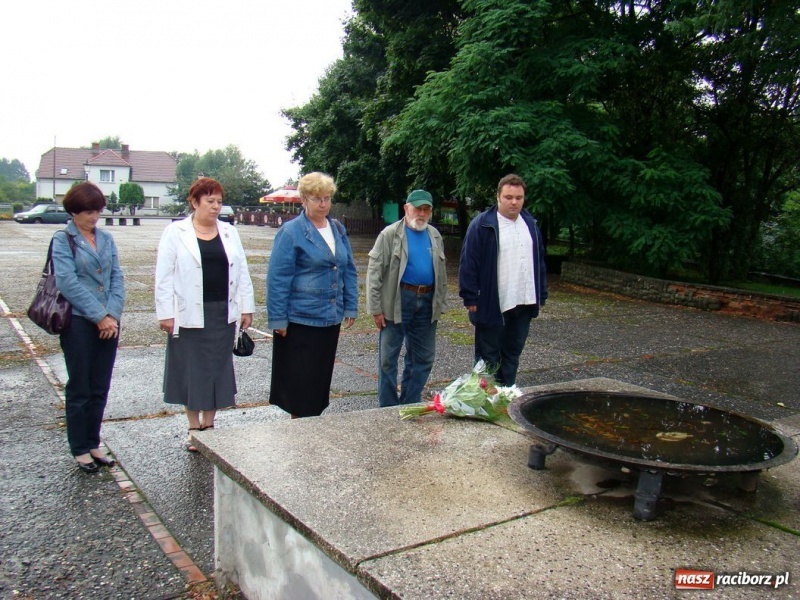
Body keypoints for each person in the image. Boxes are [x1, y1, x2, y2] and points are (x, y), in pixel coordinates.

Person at [155, 177, 255, 451]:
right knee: (191, 370)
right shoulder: (176, 232)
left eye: (219, 202)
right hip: (187, 314)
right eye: (210, 201)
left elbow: (242, 271)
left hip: (222, 313)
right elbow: (163, 275)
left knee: (216, 369)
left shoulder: (229, 232)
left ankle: (209, 426)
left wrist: (247, 307)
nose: (215, 207)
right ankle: (192, 427)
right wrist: (165, 313)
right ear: (194, 202)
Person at [267, 172, 357, 418]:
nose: (323, 204)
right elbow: (278, 278)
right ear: (304, 200)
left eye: (327, 198)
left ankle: (312, 426)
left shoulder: (337, 229)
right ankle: (300, 432)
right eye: (317, 199)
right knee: (299, 384)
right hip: (300, 319)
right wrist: (278, 319)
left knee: (319, 380)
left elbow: (348, 268)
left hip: (330, 316)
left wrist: (350, 306)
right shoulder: (291, 232)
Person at [52, 182, 125, 473]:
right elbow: (67, 282)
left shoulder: (105, 238)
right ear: (73, 211)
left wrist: (113, 315)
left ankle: (94, 441)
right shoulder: (63, 239)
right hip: (80, 322)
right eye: (88, 212)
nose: (94, 217)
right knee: (80, 386)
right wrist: (99, 316)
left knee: (100, 385)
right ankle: (79, 448)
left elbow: (117, 277)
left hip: (109, 321)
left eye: (97, 211)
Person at [458, 174, 548, 386]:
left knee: (512, 356)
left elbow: (540, 262)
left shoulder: (530, 224)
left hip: (524, 302)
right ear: (498, 197)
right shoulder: (482, 225)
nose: (514, 202)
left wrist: (541, 293)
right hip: (492, 304)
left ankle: (506, 398)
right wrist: (470, 297)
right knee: (488, 359)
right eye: (508, 197)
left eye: (519, 197)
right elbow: (468, 263)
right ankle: (484, 402)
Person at [367, 190, 447, 407]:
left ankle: (409, 404)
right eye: (417, 208)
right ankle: (388, 408)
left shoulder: (435, 235)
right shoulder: (389, 234)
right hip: (397, 299)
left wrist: (440, 303)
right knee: (387, 360)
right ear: (406, 208)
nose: (421, 213)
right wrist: (375, 308)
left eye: (426, 209)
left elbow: (441, 272)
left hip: (427, 300)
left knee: (423, 358)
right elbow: (374, 273)